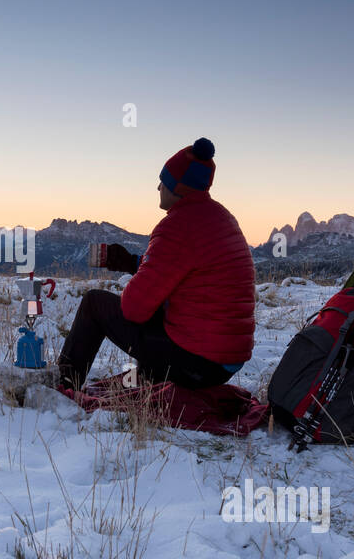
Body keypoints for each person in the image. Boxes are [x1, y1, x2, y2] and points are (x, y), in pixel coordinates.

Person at [56, 137, 255, 393]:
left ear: (178, 188)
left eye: (164, 181)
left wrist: (142, 280)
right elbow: (189, 272)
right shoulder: (222, 217)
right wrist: (132, 263)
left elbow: (133, 309)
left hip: (196, 363)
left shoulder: (177, 226)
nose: (158, 186)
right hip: (225, 362)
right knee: (160, 311)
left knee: (95, 304)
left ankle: (64, 385)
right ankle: (152, 377)